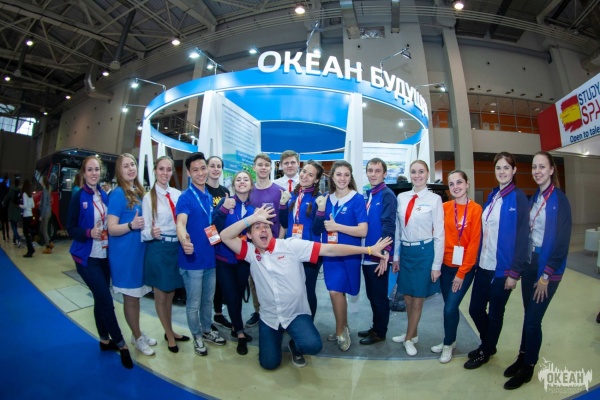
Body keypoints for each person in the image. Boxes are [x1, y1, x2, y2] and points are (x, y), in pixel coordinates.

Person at [220, 205, 392, 370]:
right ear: (249, 235)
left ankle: (295, 345)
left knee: (313, 345)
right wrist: (252, 218)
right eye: (257, 227)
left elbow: (331, 250)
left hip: (295, 314)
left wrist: (369, 250)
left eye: (266, 226)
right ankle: (274, 337)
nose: (263, 230)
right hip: (269, 318)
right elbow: (225, 236)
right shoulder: (250, 253)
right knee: (269, 363)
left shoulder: (290, 246)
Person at [503, 151, 572, 390]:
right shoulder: (534, 198)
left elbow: (562, 243)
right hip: (530, 263)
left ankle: (529, 367)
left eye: (542, 167)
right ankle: (522, 356)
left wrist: (546, 275)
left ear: (551, 169)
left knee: (533, 320)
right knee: (528, 314)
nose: (537, 171)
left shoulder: (560, 201)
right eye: (534, 167)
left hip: (547, 269)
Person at [67, 155, 133, 369]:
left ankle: (104, 340)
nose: (94, 173)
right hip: (87, 258)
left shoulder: (104, 195)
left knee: (100, 298)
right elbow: (70, 228)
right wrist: (88, 232)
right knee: (106, 300)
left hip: (104, 256)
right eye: (90, 170)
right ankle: (121, 344)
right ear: (84, 173)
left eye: (96, 169)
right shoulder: (79, 197)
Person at [465, 151, 529, 370]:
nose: (502, 172)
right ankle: (489, 345)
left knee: (495, 314)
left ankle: (485, 350)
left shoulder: (518, 197)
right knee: (475, 309)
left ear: (514, 170)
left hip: (503, 270)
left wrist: (514, 273)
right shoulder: (493, 196)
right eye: (498, 168)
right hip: (483, 265)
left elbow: (523, 237)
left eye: (506, 168)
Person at [176, 152, 227, 357]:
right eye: (195, 170)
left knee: (208, 301)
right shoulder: (185, 198)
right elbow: (180, 223)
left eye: (203, 168)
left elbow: (209, 226)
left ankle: (207, 330)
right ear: (189, 173)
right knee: (194, 303)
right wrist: (183, 239)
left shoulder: (208, 196)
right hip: (192, 261)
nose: (200, 173)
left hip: (209, 260)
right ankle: (196, 336)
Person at [313, 160, 368, 352]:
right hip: (331, 253)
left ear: (350, 177)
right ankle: (340, 330)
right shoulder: (325, 199)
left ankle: (343, 327)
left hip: (350, 253)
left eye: (346, 175)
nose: (342, 178)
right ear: (332, 177)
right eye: (338, 174)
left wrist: (337, 227)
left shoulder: (357, 199)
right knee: (335, 291)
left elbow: (363, 230)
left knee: (341, 291)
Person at [391, 160, 444, 357]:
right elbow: (398, 229)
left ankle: (408, 339)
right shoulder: (402, 197)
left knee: (418, 300)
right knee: (407, 297)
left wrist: (436, 265)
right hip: (406, 252)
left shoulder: (434, 200)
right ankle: (412, 334)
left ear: (427, 174)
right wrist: (396, 256)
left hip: (424, 253)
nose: (417, 175)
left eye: (421, 171)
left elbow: (440, 234)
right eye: (413, 172)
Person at [107, 153, 157, 356]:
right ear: (119, 171)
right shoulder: (118, 194)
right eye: (125, 166)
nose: (130, 168)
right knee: (131, 299)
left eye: (133, 164)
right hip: (125, 257)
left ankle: (136, 333)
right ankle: (137, 338)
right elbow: (111, 228)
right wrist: (131, 225)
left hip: (139, 255)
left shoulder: (139, 192)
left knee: (136, 298)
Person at [431, 170, 482, 363]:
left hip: (464, 269)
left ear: (467, 184)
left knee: (450, 307)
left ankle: (447, 345)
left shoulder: (476, 209)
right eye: (451, 184)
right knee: (449, 308)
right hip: (445, 266)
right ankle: (451, 341)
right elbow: (436, 235)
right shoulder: (444, 207)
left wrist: (461, 273)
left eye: (459, 182)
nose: (455, 187)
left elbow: (474, 244)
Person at [141, 156, 189, 354]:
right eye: (161, 169)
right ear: (155, 170)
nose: (165, 173)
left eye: (169, 169)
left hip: (175, 248)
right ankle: (169, 334)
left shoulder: (177, 194)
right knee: (161, 294)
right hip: (158, 249)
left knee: (171, 293)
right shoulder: (148, 198)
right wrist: (150, 233)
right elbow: (143, 231)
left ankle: (170, 329)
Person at [213, 171, 255, 355]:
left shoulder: (254, 209)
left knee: (238, 295)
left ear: (251, 185)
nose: (242, 182)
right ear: (234, 184)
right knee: (231, 297)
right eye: (238, 179)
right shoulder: (225, 202)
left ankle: (235, 326)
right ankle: (240, 333)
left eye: (246, 179)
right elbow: (213, 227)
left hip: (243, 260)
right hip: (223, 259)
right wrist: (223, 209)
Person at [357, 158, 397, 345]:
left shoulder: (387, 195)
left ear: (384, 174)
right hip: (367, 254)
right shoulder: (370, 195)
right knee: (372, 296)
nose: (373, 174)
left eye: (377, 171)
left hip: (378, 256)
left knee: (379, 297)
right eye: (370, 170)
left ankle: (380, 332)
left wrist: (385, 255)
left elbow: (389, 226)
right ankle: (376, 327)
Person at [279, 160, 325, 319]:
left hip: (310, 250)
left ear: (316, 180)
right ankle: (294, 321)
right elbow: (285, 223)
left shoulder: (318, 198)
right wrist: (282, 205)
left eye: (310, 175)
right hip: (291, 249)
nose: (305, 176)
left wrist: (321, 210)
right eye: (304, 171)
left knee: (308, 289)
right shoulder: (293, 195)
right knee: (292, 289)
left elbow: (318, 229)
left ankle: (309, 323)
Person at [246, 153, 283, 327]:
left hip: (274, 244)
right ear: (254, 167)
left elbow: (283, 220)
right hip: (254, 246)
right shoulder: (248, 191)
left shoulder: (279, 191)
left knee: (277, 281)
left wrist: (279, 243)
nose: (263, 168)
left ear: (271, 168)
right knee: (255, 281)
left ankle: (280, 313)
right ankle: (258, 311)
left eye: (267, 165)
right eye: (260, 164)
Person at [206, 155, 233, 331]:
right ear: (207, 168)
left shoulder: (225, 192)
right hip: (207, 240)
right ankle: (205, 317)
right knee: (207, 282)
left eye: (218, 166)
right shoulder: (203, 189)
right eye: (212, 166)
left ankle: (218, 314)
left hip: (221, 241)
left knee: (219, 282)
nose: (216, 169)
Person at [4, 177, 22, 247]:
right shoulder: (19, 191)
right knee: (15, 225)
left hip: (12, 210)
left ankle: (18, 238)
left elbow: (6, 198)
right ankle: (15, 240)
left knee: (13, 227)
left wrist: (3, 203)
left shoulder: (11, 190)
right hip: (17, 210)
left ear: (14, 183)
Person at [19, 179, 35, 257]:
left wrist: (19, 205)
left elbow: (25, 206)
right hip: (30, 215)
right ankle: (31, 249)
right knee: (27, 233)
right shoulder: (30, 194)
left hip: (26, 215)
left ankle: (30, 250)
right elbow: (33, 205)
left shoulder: (24, 194)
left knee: (26, 233)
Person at [39, 176, 54, 254]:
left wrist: (41, 215)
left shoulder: (45, 191)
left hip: (45, 213)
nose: (40, 181)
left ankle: (48, 246)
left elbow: (44, 204)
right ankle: (50, 242)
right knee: (42, 228)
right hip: (48, 212)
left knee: (44, 230)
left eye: (41, 180)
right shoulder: (47, 191)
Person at [0, 175, 9, 242]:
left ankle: (3, 236)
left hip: (0, 206)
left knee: (2, 221)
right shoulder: (6, 188)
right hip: (5, 206)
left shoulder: (0, 185)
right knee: (6, 221)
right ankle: (8, 235)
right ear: (6, 180)